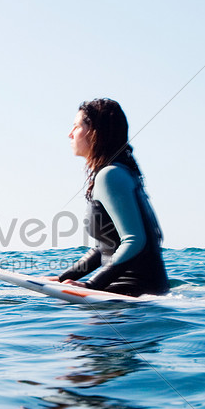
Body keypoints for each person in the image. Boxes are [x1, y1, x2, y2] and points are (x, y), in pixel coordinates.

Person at [52, 98, 169, 296]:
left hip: (132, 294)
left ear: (94, 132)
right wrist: (63, 278)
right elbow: (105, 247)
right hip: (142, 291)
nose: (70, 134)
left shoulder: (111, 175)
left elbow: (135, 240)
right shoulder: (121, 172)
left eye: (76, 126)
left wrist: (92, 285)